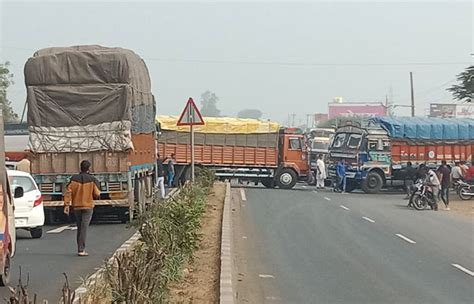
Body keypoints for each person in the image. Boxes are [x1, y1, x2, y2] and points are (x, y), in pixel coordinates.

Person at [64, 160, 100, 256]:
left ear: (80, 168)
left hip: (76, 207)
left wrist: (67, 205)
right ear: (89, 168)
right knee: (84, 227)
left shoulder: (74, 179)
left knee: (80, 227)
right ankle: (81, 249)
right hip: (88, 206)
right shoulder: (92, 179)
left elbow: (68, 192)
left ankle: (79, 248)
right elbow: (97, 193)